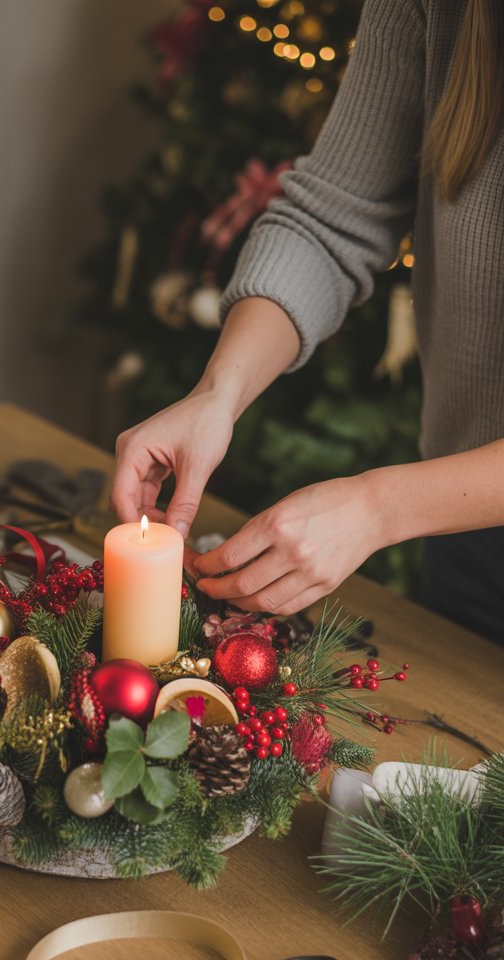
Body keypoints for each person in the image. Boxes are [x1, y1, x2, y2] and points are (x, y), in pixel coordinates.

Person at [110, 0, 504, 642]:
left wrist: (381, 508)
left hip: (429, 505)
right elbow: (332, 219)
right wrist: (218, 394)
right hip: (464, 539)